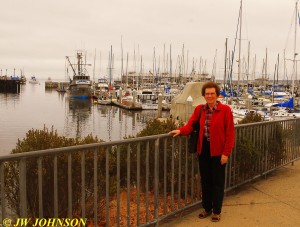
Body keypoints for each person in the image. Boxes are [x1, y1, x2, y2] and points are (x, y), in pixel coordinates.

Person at [169, 81, 235, 222]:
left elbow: (230, 134)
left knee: (217, 182)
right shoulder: (200, 109)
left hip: (218, 151)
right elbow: (190, 126)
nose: (210, 96)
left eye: (212, 93)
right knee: (205, 181)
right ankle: (207, 208)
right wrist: (180, 131)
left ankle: (216, 211)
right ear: (204, 95)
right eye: (207, 94)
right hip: (203, 149)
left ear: (217, 95)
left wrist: (226, 153)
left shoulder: (225, 110)